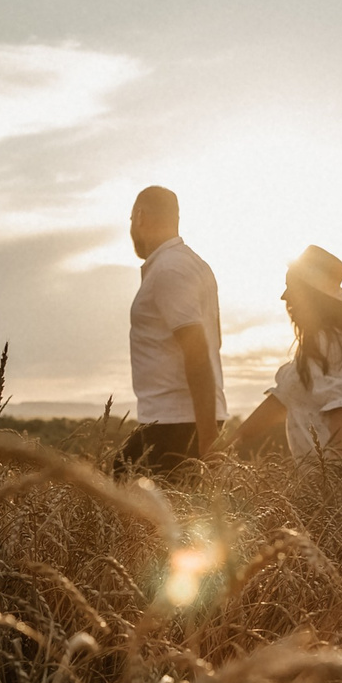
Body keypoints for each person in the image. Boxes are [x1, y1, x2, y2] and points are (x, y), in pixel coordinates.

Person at [233, 245, 342, 482]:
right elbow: (278, 404)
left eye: (290, 287)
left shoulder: (328, 343)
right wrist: (227, 446)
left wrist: (333, 479)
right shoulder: (317, 347)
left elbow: (341, 412)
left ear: (308, 295)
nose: (284, 296)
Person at [121, 185, 226, 473]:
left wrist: (207, 442)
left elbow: (198, 350)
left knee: (122, 494)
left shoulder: (169, 270)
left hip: (176, 425)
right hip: (180, 421)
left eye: (131, 220)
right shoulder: (190, 265)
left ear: (140, 216)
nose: (131, 228)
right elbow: (215, 338)